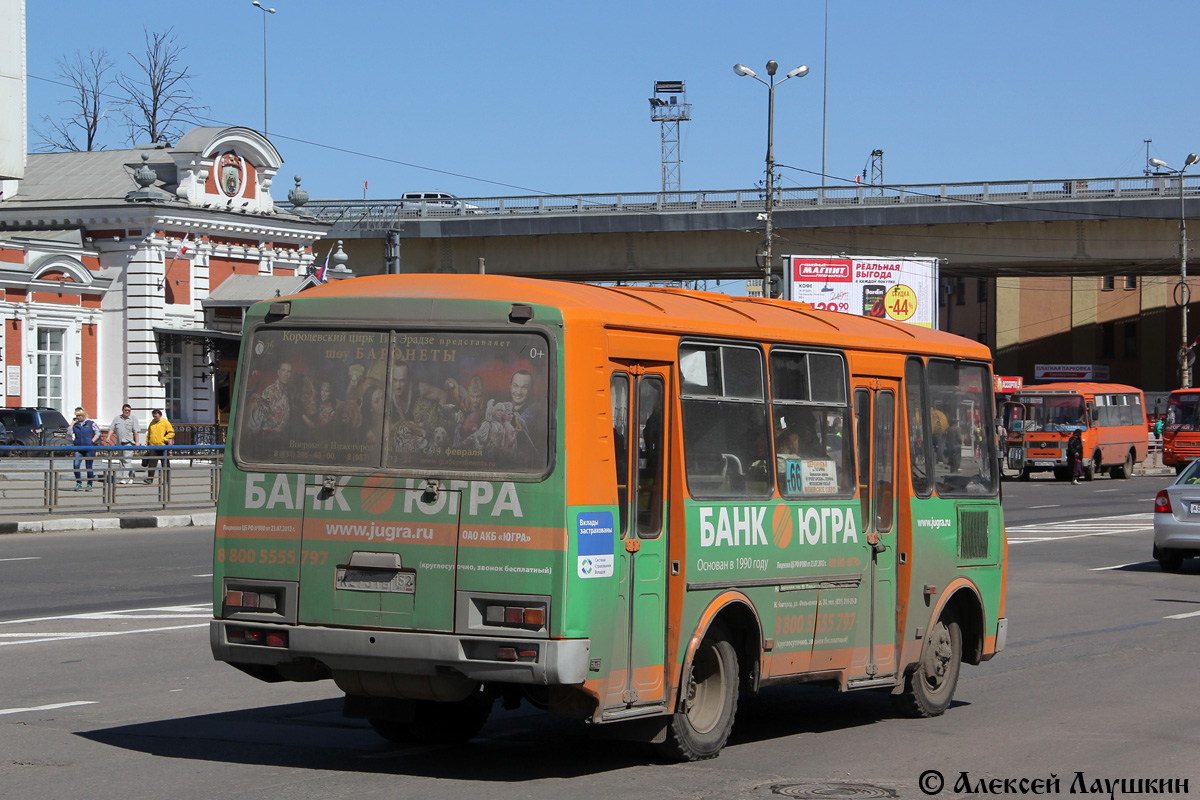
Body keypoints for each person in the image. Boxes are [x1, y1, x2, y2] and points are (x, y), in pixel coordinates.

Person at [110, 403, 140, 484]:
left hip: (129, 443)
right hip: (119, 444)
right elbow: (112, 428)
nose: (127, 412)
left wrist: (137, 442)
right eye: (126, 410)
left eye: (129, 411)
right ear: (122, 410)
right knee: (122, 460)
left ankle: (125, 478)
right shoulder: (117, 419)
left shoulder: (133, 419)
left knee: (126, 460)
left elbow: (136, 431)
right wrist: (108, 437)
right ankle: (131, 474)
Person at [71, 407, 100, 491]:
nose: (79, 417)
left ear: (84, 415)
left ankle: (89, 484)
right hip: (78, 448)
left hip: (89, 448)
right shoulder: (76, 425)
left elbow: (97, 433)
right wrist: (72, 423)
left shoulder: (90, 423)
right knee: (76, 465)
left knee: (89, 466)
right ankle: (79, 483)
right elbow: (68, 433)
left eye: (80, 415)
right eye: (77, 416)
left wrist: (92, 441)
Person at [143, 408, 175, 484]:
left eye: (156, 416)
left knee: (165, 464)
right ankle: (150, 479)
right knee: (152, 464)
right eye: (154, 416)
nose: (155, 418)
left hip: (163, 446)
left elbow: (171, 432)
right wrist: (147, 445)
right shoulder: (152, 423)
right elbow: (149, 435)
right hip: (153, 446)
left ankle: (166, 480)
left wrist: (165, 439)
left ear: (160, 415)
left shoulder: (165, 422)